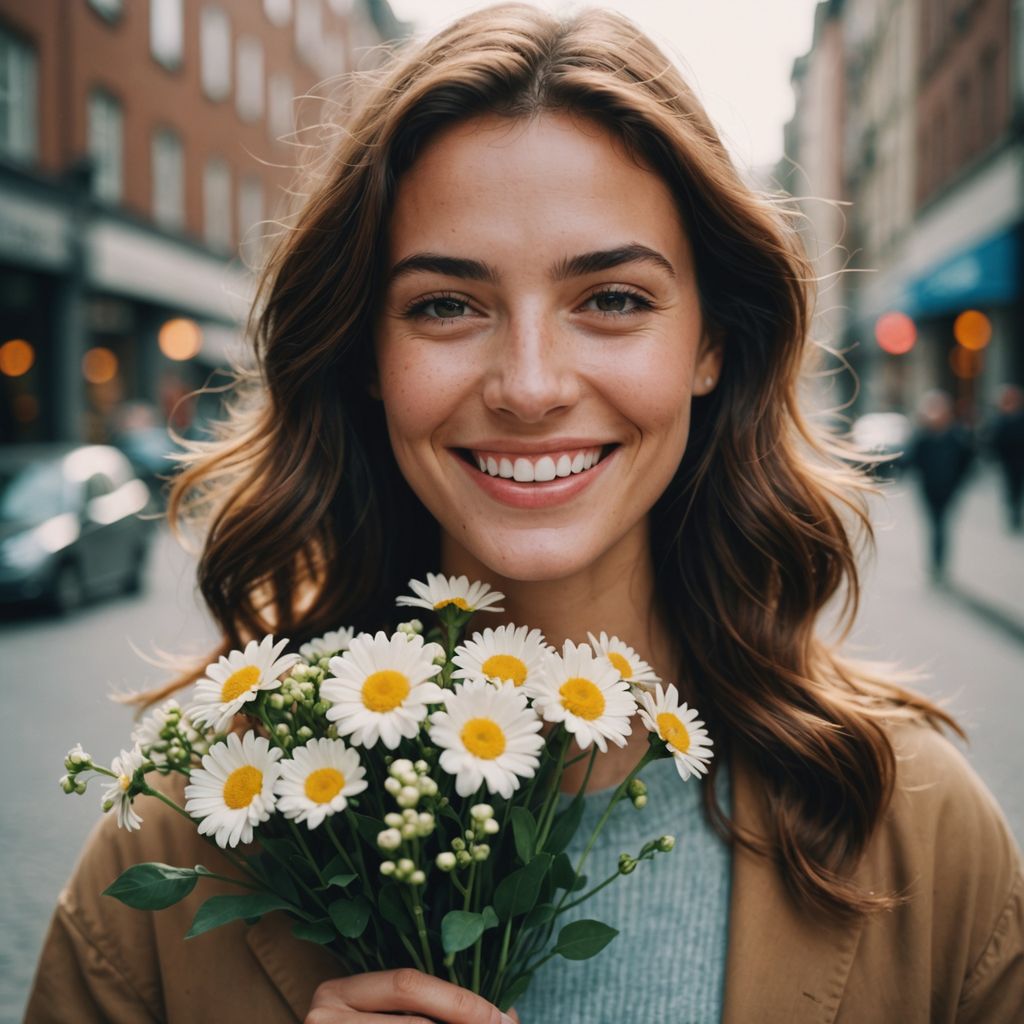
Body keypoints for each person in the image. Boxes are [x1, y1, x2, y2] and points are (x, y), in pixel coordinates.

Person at [26, 5, 1022, 1022]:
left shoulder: (920, 829)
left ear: (712, 343)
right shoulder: (174, 845)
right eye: (446, 305)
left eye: (614, 299)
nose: (531, 385)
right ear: (368, 355)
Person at [903, 389, 976, 583]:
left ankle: (939, 563)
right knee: (934, 524)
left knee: (941, 525)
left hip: (948, 490)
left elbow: (968, 461)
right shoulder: (923, 437)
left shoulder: (956, 437)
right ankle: (935, 563)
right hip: (928, 489)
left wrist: (958, 482)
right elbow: (911, 460)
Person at [987, 383, 1024, 532]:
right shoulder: (1000, 419)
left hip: (1019, 459)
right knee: (1010, 489)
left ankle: (1015, 513)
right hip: (1007, 461)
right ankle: (1013, 514)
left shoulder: (1019, 417)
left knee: (1017, 488)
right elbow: (994, 441)